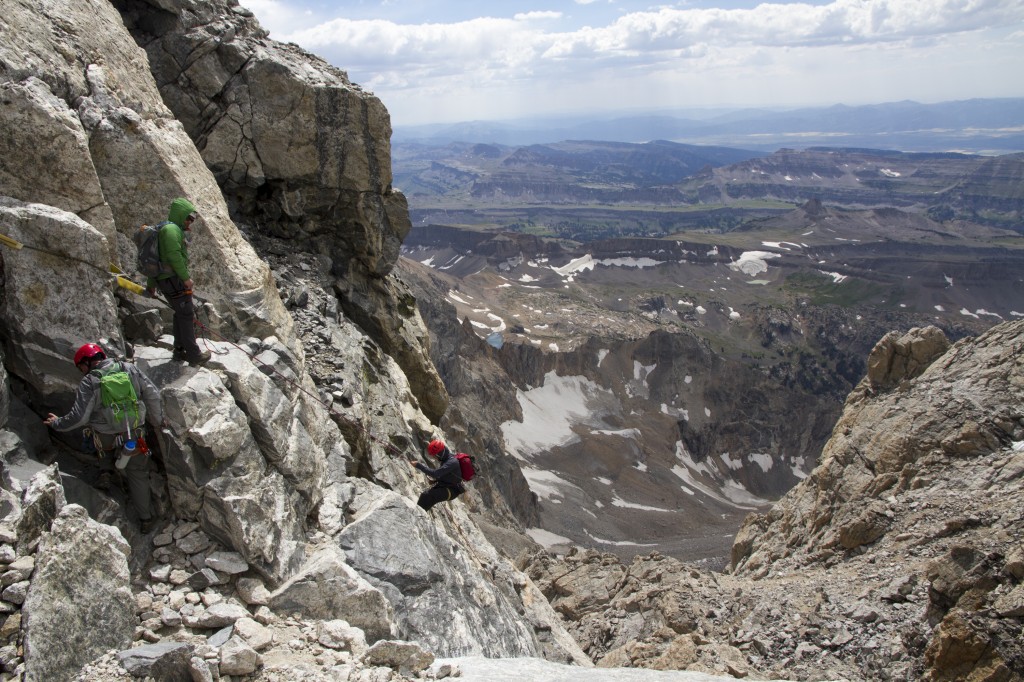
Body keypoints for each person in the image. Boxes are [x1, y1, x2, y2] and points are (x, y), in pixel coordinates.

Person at [44, 343, 164, 533]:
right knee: (137, 474)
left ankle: (106, 472)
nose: (81, 371)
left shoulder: (90, 381)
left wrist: (58, 423)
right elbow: (152, 394)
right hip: (134, 434)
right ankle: (146, 519)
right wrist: (157, 421)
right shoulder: (129, 368)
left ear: (86, 362)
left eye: (80, 366)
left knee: (99, 441)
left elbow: (79, 417)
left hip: (105, 436)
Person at [146, 197, 210, 365]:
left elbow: (153, 259)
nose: (190, 222)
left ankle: (179, 350)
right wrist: (186, 278)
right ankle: (194, 355)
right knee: (187, 313)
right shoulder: (172, 230)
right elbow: (175, 256)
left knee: (180, 313)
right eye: (189, 218)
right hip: (173, 279)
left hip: (164, 280)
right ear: (181, 215)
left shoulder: (164, 229)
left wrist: (151, 285)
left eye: (192, 219)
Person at [409, 439, 464, 511]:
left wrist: (418, 465)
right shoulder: (447, 458)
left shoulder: (451, 462)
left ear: (439, 454)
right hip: (447, 486)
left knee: (427, 496)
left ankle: (417, 514)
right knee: (426, 497)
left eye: (435, 456)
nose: (434, 457)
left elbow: (435, 473)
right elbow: (448, 475)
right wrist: (435, 481)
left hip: (452, 490)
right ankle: (419, 515)